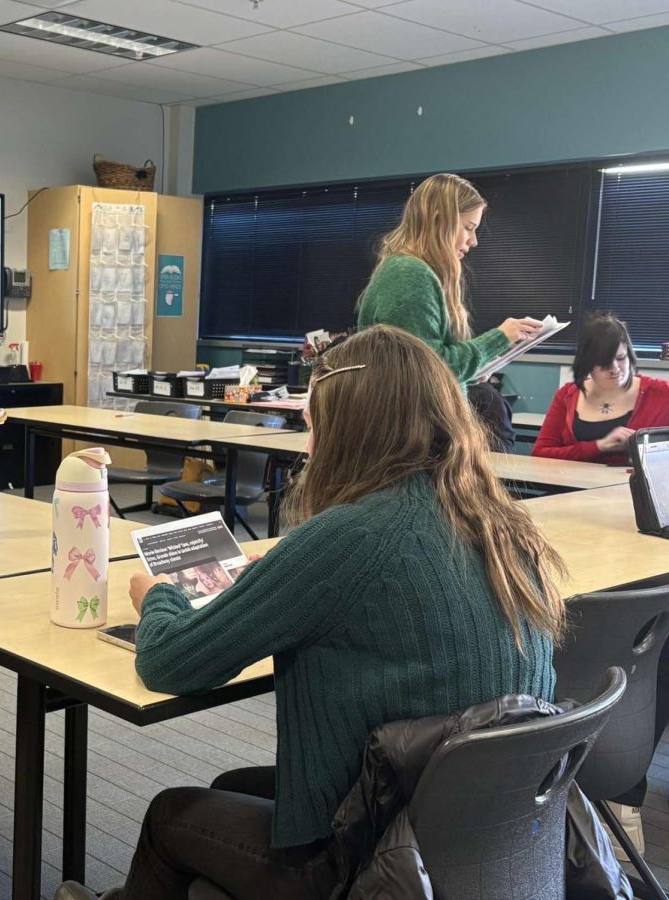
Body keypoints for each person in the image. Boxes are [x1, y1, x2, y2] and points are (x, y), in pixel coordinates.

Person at [57, 325, 567, 900]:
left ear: (349, 432)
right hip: (484, 847)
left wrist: (156, 596)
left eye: (314, 429)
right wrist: (275, 581)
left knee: (170, 817)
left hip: (373, 865)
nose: (309, 447)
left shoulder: (350, 536)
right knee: (234, 787)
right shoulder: (505, 528)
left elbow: (169, 661)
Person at [357, 173, 543, 385]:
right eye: (468, 228)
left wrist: (473, 370)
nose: (473, 241)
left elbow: (427, 364)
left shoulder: (410, 270)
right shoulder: (409, 275)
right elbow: (426, 371)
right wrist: (499, 338)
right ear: (438, 220)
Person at [533, 313, 669, 464]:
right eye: (604, 363)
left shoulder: (662, 394)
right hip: (572, 484)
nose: (615, 369)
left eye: (621, 358)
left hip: (630, 487)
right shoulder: (568, 395)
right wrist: (598, 447)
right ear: (587, 364)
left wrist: (647, 447)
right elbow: (540, 453)